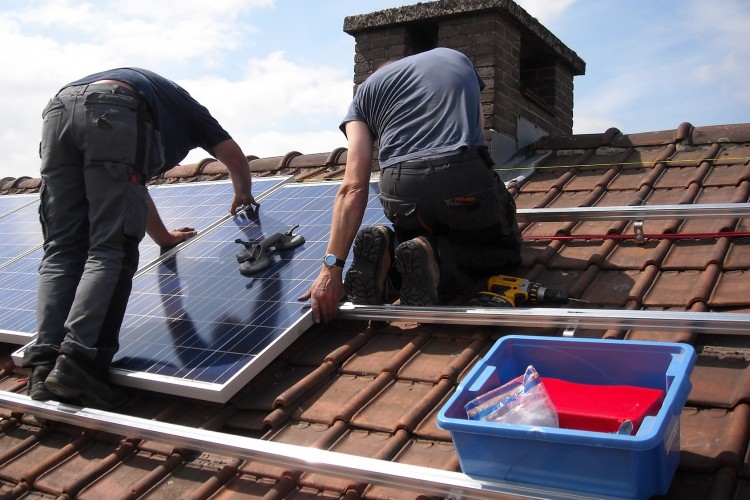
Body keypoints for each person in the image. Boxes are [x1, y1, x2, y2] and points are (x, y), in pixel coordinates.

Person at [23, 68, 259, 409]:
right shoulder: (191, 112)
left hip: (59, 110)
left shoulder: (160, 101)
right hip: (114, 108)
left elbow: (131, 189)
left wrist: (163, 236)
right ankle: (79, 365)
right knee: (110, 250)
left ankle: (43, 368)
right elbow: (234, 157)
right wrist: (243, 193)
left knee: (61, 250)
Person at [301, 47, 521, 323]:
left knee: (414, 235)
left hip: (400, 187)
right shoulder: (456, 57)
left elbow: (353, 185)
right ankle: (436, 258)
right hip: (461, 172)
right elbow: (479, 136)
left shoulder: (364, 94)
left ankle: (389, 249)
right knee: (506, 252)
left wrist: (331, 268)